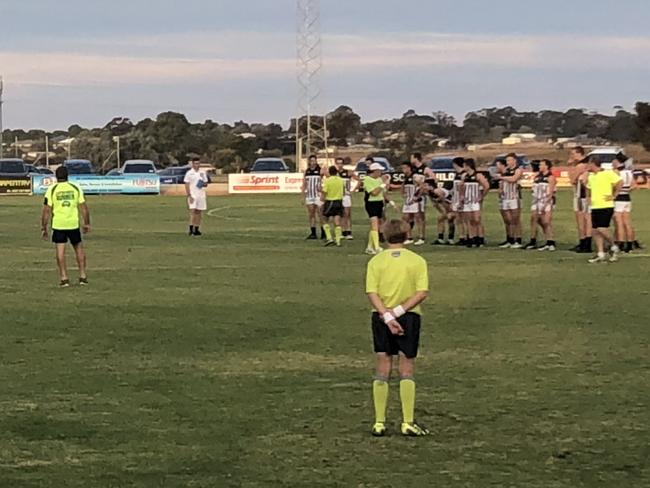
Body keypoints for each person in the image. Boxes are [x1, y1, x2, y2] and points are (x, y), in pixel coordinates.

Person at [365, 219, 430, 437]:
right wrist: (398, 313)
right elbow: (421, 293)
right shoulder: (417, 261)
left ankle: (379, 422)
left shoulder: (376, 261)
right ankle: (407, 422)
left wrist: (387, 315)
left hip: (381, 317)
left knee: (383, 366)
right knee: (407, 367)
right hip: (408, 317)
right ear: (407, 234)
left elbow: (372, 292)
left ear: (383, 235)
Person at [41, 166, 91, 287]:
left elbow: (47, 210)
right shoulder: (75, 188)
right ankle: (83, 276)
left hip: (59, 224)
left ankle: (64, 278)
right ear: (67, 176)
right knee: (79, 249)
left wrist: (44, 227)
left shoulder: (52, 189)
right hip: (73, 223)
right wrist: (86, 223)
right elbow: (84, 208)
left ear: (56, 177)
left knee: (60, 251)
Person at [586, 156, 622, 263]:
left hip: (606, 205)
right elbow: (589, 188)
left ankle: (614, 245)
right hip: (595, 205)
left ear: (593, 164)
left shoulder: (608, 173)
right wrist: (589, 198)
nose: (588, 166)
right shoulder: (591, 176)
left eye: (589, 164)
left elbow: (620, 182)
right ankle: (600, 253)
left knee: (602, 228)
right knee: (595, 230)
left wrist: (614, 195)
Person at [524, 159, 557, 251]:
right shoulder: (537, 177)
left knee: (546, 222)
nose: (539, 166)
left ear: (547, 166)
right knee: (534, 220)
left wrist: (546, 203)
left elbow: (551, 192)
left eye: (542, 165)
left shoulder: (550, 177)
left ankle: (551, 242)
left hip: (546, 201)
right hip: (536, 201)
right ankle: (533, 241)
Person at [363, 160, 395, 255]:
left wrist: (391, 202)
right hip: (371, 203)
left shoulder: (379, 180)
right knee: (374, 224)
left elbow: (383, 193)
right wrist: (383, 184)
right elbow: (374, 192)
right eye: (379, 171)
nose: (381, 172)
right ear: (374, 171)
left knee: (376, 225)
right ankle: (376, 247)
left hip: (379, 203)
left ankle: (370, 247)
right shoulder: (367, 180)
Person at [612, 154, 642, 252]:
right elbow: (634, 185)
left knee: (619, 222)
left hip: (619, 199)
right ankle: (630, 244)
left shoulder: (616, 172)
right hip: (627, 198)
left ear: (618, 162)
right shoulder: (629, 172)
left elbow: (615, 185)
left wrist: (615, 193)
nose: (613, 162)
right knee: (627, 222)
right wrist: (627, 190)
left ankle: (620, 243)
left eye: (614, 161)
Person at [459, 159, 489, 248]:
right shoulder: (464, 176)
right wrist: (462, 196)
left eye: (464, 166)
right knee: (469, 220)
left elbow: (486, 186)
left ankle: (480, 238)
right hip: (467, 201)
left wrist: (481, 196)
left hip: (475, 201)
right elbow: (461, 187)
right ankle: (471, 237)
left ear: (468, 166)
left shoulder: (478, 175)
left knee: (477, 220)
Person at [497, 153, 524, 248]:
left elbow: (514, 179)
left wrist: (501, 177)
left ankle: (518, 239)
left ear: (514, 161)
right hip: (505, 198)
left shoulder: (518, 170)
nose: (508, 162)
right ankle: (510, 239)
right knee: (508, 220)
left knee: (515, 220)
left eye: (509, 160)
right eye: (507, 160)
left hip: (514, 197)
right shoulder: (505, 171)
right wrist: (500, 189)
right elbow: (502, 182)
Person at [569, 146, 592, 253]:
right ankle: (585, 243)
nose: (572, 156)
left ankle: (584, 243)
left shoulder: (581, 165)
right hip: (586, 194)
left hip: (581, 194)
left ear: (579, 154)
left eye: (573, 154)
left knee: (582, 220)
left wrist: (570, 165)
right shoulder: (587, 164)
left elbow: (572, 179)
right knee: (587, 220)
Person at [321, 166, 345, 247]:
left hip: (330, 201)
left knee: (324, 219)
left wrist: (322, 200)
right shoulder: (341, 180)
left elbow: (324, 192)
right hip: (339, 201)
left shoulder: (327, 181)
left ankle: (329, 238)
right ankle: (338, 241)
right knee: (337, 221)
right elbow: (344, 191)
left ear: (330, 172)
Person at [184, 157, 209, 236]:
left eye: (198, 163)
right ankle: (191, 229)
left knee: (199, 212)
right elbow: (187, 184)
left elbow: (206, 183)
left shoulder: (202, 172)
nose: (197, 165)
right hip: (193, 195)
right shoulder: (189, 173)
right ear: (192, 164)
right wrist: (189, 195)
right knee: (193, 212)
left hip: (201, 195)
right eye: (195, 163)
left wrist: (202, 183)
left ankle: (197, 229)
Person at [302, 155, 325, 240]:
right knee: (311, 214)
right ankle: (313, 233)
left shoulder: (320, 170)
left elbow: (328, 177)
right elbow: (304, 184)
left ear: (316, 161)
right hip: (309, 195)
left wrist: (323, 191)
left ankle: (323, 233)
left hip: (318, 196)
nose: (312, 162)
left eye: (314, 161)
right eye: (311, 161)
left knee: (321, 214)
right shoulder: (306, 171)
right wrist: (302, 195)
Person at [334, 157, 356, 240]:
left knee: (347, 214)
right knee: (339, 214)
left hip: (346, 195)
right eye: (338, 163)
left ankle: (348, 231)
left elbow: (359, 180)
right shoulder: (334, 173)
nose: (339, 165)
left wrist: (353, 190)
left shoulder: (348, 172)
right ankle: (342, 231)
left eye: (341, 163)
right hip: (338, 196)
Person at [410, 153, 428, 246]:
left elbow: (433, 179)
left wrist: (424, 186)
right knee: (416, 216)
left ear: (416, 158)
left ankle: (422, 236)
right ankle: (419, 235)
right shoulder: (413, 169)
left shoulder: (425, 169)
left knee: (420, 215)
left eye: (412, 157)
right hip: (414, 193)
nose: (410, 159)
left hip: (421, 195)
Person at [450, 157, 466, 246]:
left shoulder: (464, 174)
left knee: (464, 219)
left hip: (461, 199)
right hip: (456, 199)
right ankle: (461, 237)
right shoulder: (456, 174)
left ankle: (467, 236)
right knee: (458, 219)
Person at [400, 162, 418, 245]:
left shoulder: (414, 176)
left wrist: (416, 197)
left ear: (409, 168)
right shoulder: (406, 177)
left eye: (405, 168)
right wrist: (403, 192)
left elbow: (421, 186)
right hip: (407, 200)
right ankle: (409, 236)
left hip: (413, 201)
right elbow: (403, 187)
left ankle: (410, 236)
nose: (403, 170)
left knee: (407, 218)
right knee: (407, 218)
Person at [494, 159, 510, 246]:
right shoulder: (500, 175)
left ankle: (514, 239)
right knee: (506, 221)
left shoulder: (507, 174)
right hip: (502, 199)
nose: (497, 167)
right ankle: (508, 238)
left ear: (502, 165)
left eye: (498, 165)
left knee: (511, 221)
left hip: (510, 198)